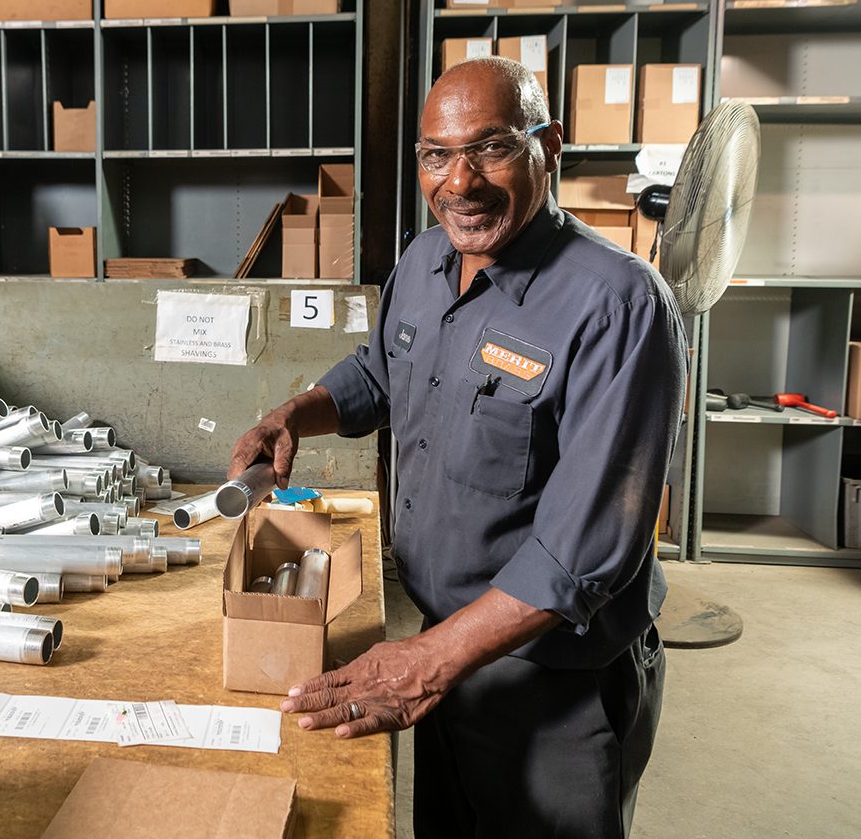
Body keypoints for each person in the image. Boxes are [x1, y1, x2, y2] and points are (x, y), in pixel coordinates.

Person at [228, 57, 687, 838]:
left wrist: (426, 664)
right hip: (443, 658)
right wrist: (296, 414)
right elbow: (380, 370)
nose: (460, 182)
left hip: (553, 691)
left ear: (552, 145)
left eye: (492, 148)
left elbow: (583, 554)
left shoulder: (618, 306)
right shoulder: (425, 259)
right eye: (436, 155)